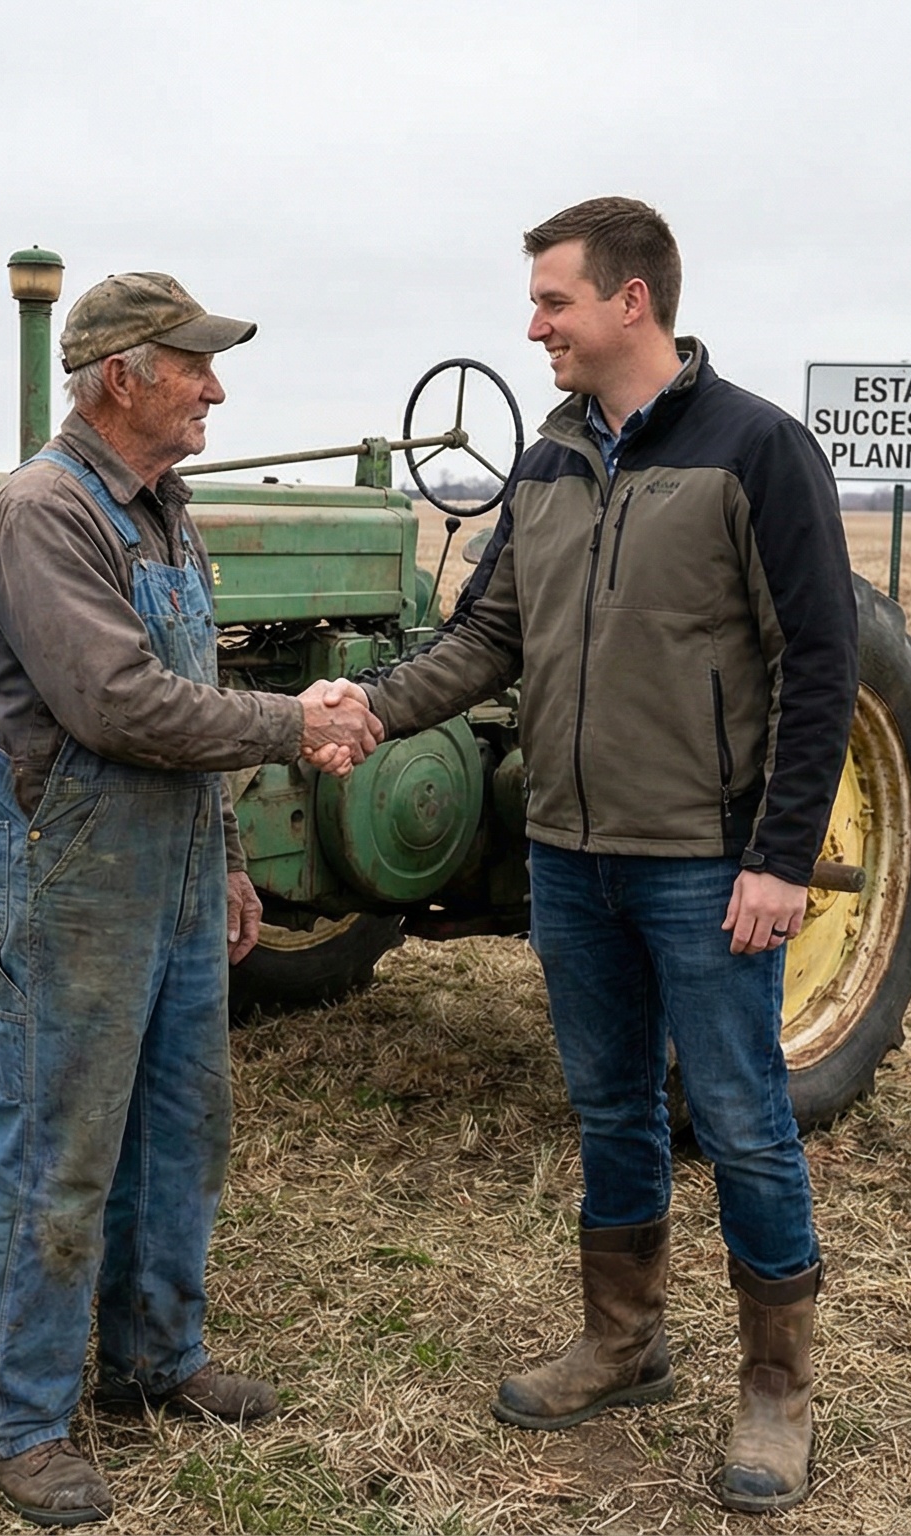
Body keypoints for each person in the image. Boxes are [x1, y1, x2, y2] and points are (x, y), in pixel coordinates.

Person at [355, 196, 853, 1512]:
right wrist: (366, 712)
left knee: (744, 1123)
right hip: (568, 855)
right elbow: (485, 639)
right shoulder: (552, 457)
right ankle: (625, 1342)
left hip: (701, 859)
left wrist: (780, 857)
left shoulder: (760, 451)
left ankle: (777, 1390)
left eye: (553, 302)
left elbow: (820, 665)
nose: (535, 328)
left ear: (632, 301)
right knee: (610, 1106)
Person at [0, 271, 385, 1525]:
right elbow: (116, 704)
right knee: (57, 1150)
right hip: (75, 877)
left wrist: (235, 860)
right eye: (194, 365)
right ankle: (20, 1420)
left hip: (182, 871)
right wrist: (291, 722)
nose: (216, 387)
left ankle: (155, 1360)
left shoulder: (165, 510)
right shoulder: (44, 513)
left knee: (179, 1131)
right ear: (122, 376)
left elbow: (183, 689)